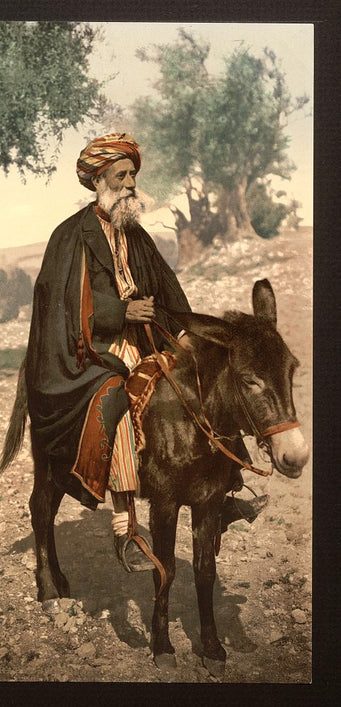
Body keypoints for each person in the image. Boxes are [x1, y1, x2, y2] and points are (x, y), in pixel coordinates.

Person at [25, 133, 266, 572]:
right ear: (99, 179)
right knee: (117, 393)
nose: (131, 183)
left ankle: (227, 485)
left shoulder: (136, 233)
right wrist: (122, 311)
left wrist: (188, 336)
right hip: (91, 351)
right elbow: (62, 306)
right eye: (122, 175)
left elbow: (168, 287)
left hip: (146, 338)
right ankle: (126, 526)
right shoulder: (69, 237)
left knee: (202, 387)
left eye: (133, 174)